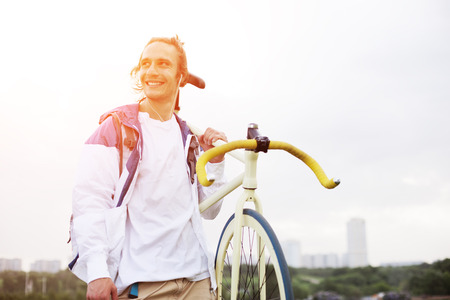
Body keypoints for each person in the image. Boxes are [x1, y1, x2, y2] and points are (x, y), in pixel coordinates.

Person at [69, 36, 227, 300]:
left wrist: (215, 162)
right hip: (144, 284)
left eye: (163, 63)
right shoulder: (116, 128)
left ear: (181, 76)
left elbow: (209, 210)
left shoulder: (187, 136)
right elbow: (89, 201)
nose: (152, 71)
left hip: (196, 280)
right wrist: (97, 271)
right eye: (146, 64)